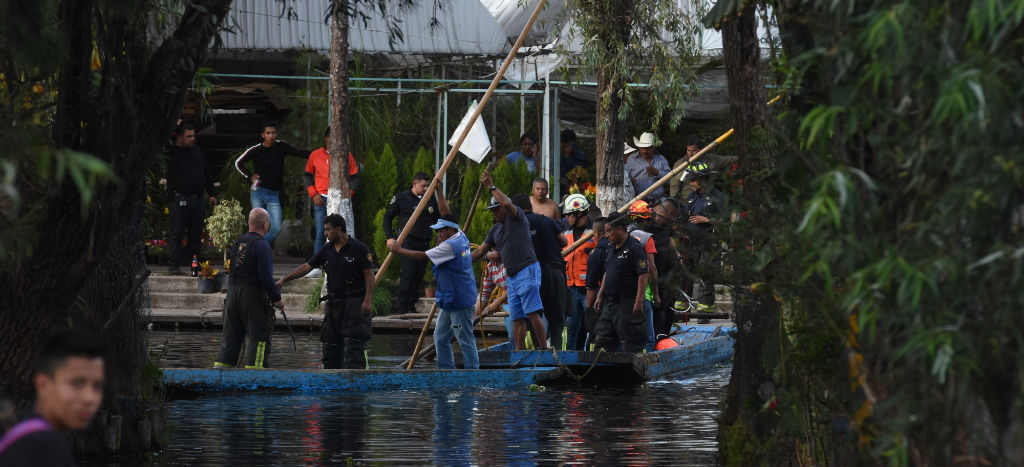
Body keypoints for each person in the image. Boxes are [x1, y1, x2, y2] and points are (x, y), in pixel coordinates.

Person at [277, 214, 375, 369]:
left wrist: (367, 301)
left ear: (339, 229)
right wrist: (285, 279)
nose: (325, 233)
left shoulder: (359, 249)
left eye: (328, 230)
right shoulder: (327, 250)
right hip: (334, 304)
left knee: (354, 346)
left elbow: (370, 276)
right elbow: (307, 267)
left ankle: (359, 379)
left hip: (355, 303)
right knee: (330, 345)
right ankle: (332, 378)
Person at [0, 329, 104, 466]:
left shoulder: (19, 435)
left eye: (97, 386)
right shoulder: (47, 447)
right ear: (43, 385)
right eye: (77, 383)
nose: (89, 398)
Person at [390, 213, 480, 369]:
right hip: (449, 300)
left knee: (464, 337)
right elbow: (446, 211)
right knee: (440, 337)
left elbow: (422, 256)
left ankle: (473, 372)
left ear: (450, 231)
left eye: (440, 231)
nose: (438, 235)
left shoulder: (450, 246)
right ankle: (446, 371)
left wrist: (399, 250)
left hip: (460, 301)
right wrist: (439, 191)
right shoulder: (461, 235)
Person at [471, 171, 548, 351]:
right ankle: (518, 353)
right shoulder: (495, 230)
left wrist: (491, 186)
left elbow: (506, 202)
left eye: (496, 209)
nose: (495, 213)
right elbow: (481, 250)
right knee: (517, 317)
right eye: (493, 210)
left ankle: (544, 349)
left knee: (532, 312)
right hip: (512, 277)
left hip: (527, 269)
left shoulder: (517, 217)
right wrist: (462, 259)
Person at [214, 208, 283, 368]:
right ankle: (255, 378)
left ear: (249, 223)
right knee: (258, 339)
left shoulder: (238, 243)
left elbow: (231, 270)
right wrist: (276, 299)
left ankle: (220, 378)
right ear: (266, 225)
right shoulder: (262, 246)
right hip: (253, 297)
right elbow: (265, 277)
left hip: (232, 296)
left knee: (229, 340)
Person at [234, 121, 311, 244]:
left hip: (273, 195)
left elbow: (300, 152)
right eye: (268, 133)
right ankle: (256, 249)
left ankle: (255, 246)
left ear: (276, 133)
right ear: (263, 135)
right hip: (258, 192)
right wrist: (250, 176)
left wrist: (319, 154)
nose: (271, 135)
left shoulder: (282, 146)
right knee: (257, 227)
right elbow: (238, 163)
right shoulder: (256, 150)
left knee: (276, 228)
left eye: (273, 133)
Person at [516, 194, 570, 350]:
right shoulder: (546, 220)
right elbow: (564, 242)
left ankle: (533, 357)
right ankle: (560, 355)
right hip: (553, 271)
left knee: (532, 317)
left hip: (530, 273)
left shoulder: (516, 224)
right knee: (558, 319)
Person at [384, 172, 441, 315]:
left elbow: (437, 220)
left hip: (424, 242)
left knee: (418, 275)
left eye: (428, 186)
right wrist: (389, 237)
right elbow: (387, 217)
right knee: (408, 273)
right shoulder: (401, 198)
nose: (426, 188)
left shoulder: (429, 199)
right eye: (423, 186)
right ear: (414, 184)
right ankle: (403, 308)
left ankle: (411, 306)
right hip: (407, 241)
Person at [594, 212, 650, 353]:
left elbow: (643, 275)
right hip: (610, 302)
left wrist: (638, 302)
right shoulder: (611, 247)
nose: (606, 235)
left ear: (620, 229)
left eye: (609, 231)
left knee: (631, 341)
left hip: (628, 303)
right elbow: (608, 272)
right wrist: (600, 296)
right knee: (602, 339)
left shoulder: (635, 247)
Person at [165, 122, 217, 275]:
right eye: (188, 136)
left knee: (196, 234)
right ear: (180, 137)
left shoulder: (197, 152)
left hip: (198, 198)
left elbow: (207, 173)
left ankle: (195, 265)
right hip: (180, 198)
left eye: (193, 136)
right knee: (177, 232)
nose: (192, 139)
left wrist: (212, 193)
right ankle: (174, 264)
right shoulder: (172, 152)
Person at [305, 127, 361, 255]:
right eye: (331, 137)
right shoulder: (315, 155)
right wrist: (313, 194)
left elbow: (355, 177)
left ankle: (342, 260)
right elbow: (307, 175)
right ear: (326, 138)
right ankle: (317, 267)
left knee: (339, 232)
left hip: (340, 199)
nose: (333, 141)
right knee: (321, 233)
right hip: (321, 199)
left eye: (337, 138)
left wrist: (348, 195)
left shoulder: (346, 155)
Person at [683, 162, 726, 323]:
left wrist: (705, 219)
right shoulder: (692, 196)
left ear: (703, 179)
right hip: (691, 243)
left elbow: (725, 220)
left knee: (705, 276)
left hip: (709, 243)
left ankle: (705, 312)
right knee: (685, 274)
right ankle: (682, 310)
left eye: (693, 179)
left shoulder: (718, 196)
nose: (690, 182)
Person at [562, 194, 597, 350]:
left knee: (593, 326)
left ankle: (591, 357)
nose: (566, 217)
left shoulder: (594, 232)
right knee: (572, 327)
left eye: (569, 214)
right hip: (570, 288)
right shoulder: (565, 233)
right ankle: (570, 357)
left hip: (589, 289)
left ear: (580, 213)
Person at [626, 200, 660, 352]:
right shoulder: (646, 238)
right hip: (643, 294)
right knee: (649, 336)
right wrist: (657, 295)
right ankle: (648, 365)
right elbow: (652, 269)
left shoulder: (620, 234)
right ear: (646, 220)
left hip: (623, 293)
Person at [648, 198, 683, 337]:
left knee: (668, 308)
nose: (674, 219)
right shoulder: (648, 225)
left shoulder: (665, 226)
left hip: (666, 275)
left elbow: (669, 239)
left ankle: (664, 337)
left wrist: (677, 254)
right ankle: (657, 337)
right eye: (673, 215)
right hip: (653, 277)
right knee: (658, 311)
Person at [670, 135, 737, 201]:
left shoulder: (712, 160)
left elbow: (732, 160)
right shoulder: (680, 165)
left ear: (701, 150)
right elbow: (674, 188)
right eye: (688, 150)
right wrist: (675, 204)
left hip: (711, 201)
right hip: (688, 204)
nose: (690, 153)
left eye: (694, 150)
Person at [583, 217, 611, 349]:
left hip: (604, 301)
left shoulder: (597, 253)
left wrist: (589, 309)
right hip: (626, 300)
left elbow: (591, 286)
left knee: (597, 336)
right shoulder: (621, 247)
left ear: (597, 234)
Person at [625, 132, 671, 200]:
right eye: (642, 148)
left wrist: (658, 173)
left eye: (647, 148)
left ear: (653, 147)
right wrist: (629, 181)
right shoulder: (631, 159)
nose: (644, 151)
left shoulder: (661, 159)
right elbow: (624, 178)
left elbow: (671, 180)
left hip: (658, 200)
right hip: (637, 200)